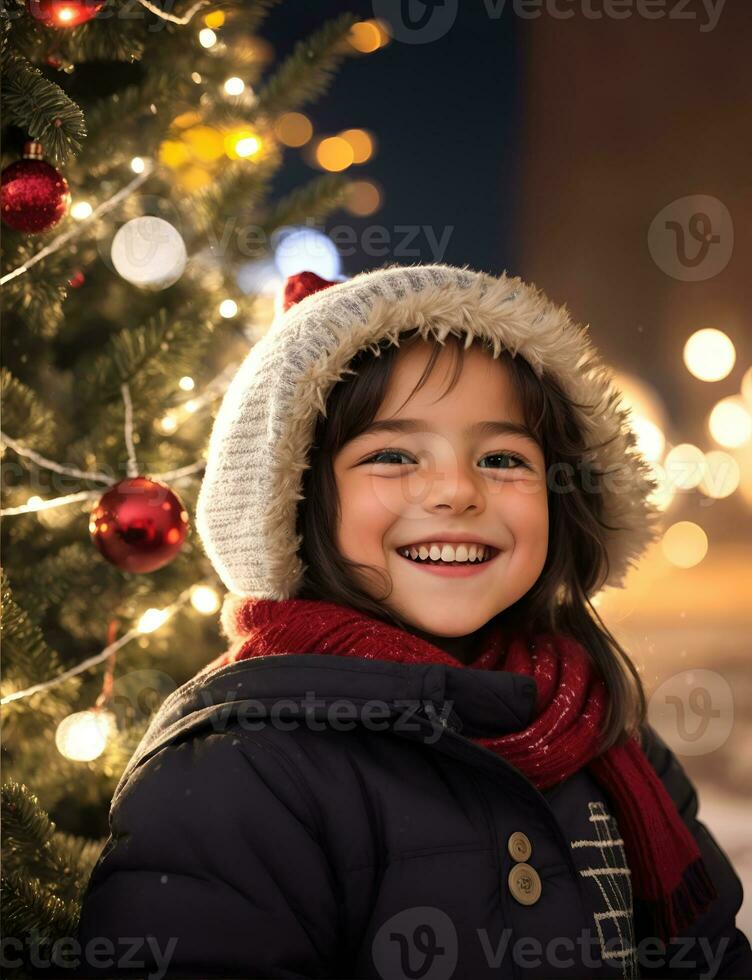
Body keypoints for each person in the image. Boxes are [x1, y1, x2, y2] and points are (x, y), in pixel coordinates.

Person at [70, 264, 751, 979]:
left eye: (501, 457)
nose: (458, 490)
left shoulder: (602, 725)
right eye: (392, 455)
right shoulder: (239, 776)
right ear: (296, 499)